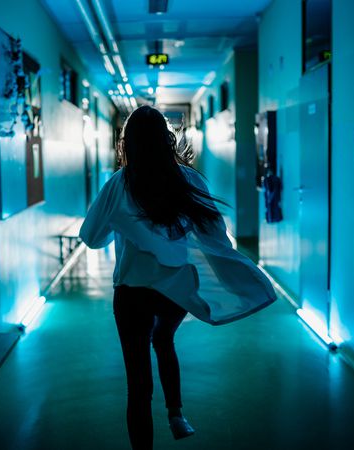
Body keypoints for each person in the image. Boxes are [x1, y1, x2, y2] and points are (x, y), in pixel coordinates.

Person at [79, 106, 277, 450]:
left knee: (137, 387)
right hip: (175, 292)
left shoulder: (119, 184)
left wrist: (122, 224)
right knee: (165, 341)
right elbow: (218, 237)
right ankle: (176, 413)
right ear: (166, 139)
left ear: (127, 143)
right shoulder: (189, 179)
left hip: (132, 295)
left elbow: (92, 237)